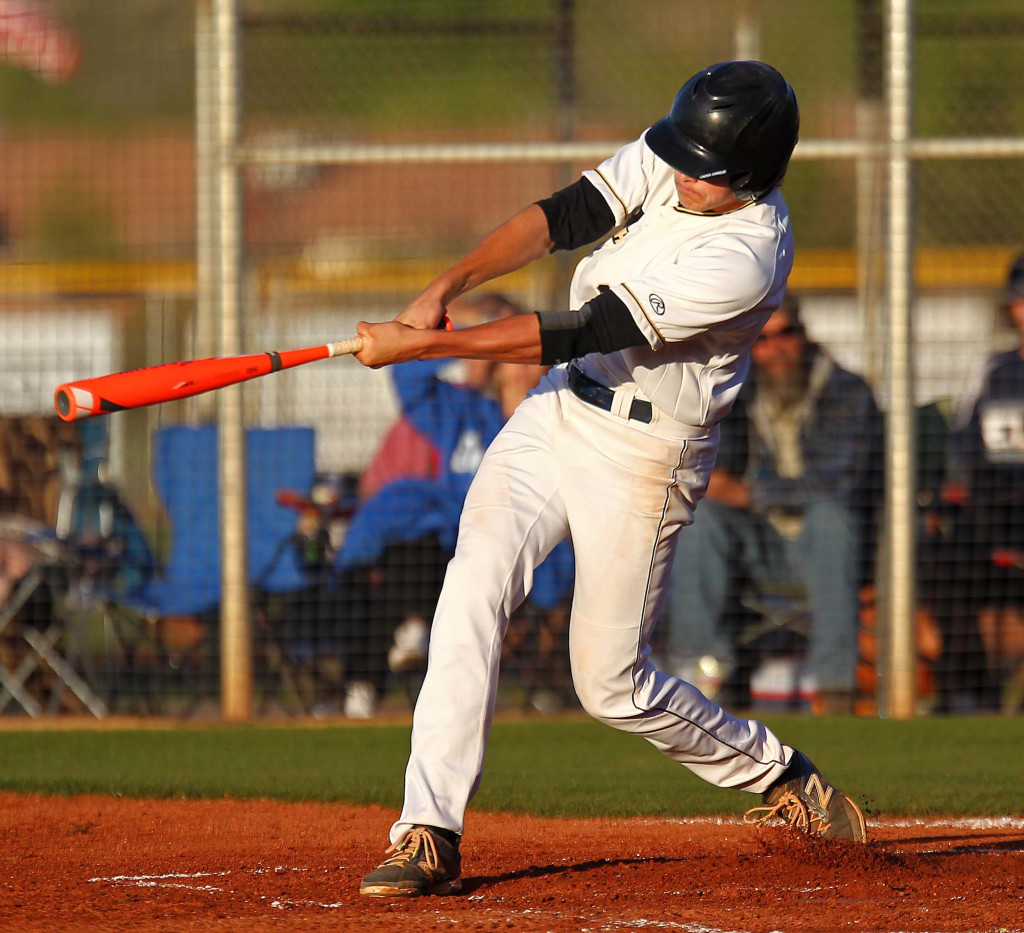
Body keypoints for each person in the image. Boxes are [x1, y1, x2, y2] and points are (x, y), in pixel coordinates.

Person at [351, 61, 866, 899]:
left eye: (702, 171)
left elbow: (588, 325)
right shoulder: (682, 157)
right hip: (557, 413)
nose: (678, 175)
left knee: (610, 683)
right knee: (472, 584)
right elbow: (566, 215)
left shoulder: (746, 253)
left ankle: (779, 774)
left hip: (644, 455)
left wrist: (427, 346)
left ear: (751, 177)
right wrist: (446, 288)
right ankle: (429, 828)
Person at [332, 296, 574, 717]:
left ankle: (393, 657)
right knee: (414, 550)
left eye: (527, 354)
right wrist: (467, 336)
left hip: (525, 546)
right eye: (509, 353)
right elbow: (407, 377)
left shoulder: (560, 419)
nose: (518, 365)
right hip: (452, 540)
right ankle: (380, 667)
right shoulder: (461, 411)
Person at [666, 292, 880, 713]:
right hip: (759, 544)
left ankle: (836, 691)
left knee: (830, 519)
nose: (774, 349)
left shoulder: (848, 392)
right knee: (702, 519)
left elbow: (840, 483)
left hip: (832, 550)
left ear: (805, 335)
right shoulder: (736, 391)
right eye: (761, 340)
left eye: (786, 335)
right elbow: (716, 478)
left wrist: (753, 494)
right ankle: (700, 684)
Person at [936, 249, 1024, 711]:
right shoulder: (994, 371)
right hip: (995, 510)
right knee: (947, 551)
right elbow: (962, 453)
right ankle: (968, 688)